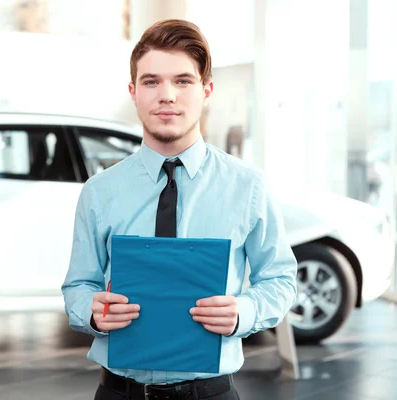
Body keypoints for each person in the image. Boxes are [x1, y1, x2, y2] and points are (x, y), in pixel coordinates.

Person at [61, 19, 297, 400]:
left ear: (206, 91)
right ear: (134, 92)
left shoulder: (248, 187)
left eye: (183, 81)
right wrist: (90, 311)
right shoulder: (99, 191)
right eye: (151, 81)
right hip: (119, 393)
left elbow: (281, 279)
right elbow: (77, 285)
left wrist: (245, 312)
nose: (166, 95)